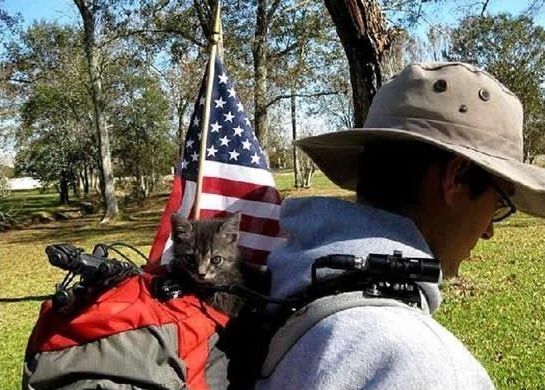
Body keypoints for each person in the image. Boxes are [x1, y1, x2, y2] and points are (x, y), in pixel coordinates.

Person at [255, 62, 545, 389]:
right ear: (457, 178)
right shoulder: (423, 367)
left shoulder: (280, 286)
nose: (489, 232)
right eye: (498, 204)